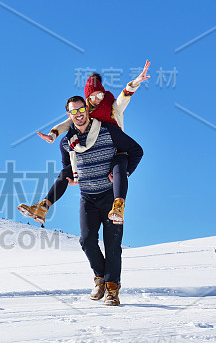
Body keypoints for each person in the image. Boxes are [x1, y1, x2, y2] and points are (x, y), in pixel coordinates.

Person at [19, 61, 150, 225]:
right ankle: (43, 207)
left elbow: (124, 97)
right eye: (93, 97)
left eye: (100, 95)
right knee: (65, 172)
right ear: (87, 98)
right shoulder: (85, 110)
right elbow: (69, 122)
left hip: (116, 149)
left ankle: (118, 206)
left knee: (120, 165)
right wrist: (53, 134)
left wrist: (135, 82)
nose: (97, 100)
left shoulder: (111, 107)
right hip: (95, 151)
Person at [51, 95, 143, 306]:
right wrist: (72, 178)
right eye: (73, 111)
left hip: (111, 198)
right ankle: (100, 278)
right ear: (68, 115)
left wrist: (125, 172)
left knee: (112, 244)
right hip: (87, 198)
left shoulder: (107, 131)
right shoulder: (66, 142)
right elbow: (68, 167)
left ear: (87, 109)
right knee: (86, 241)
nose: (78, 114)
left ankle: (112, 289)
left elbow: (137, 151)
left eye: (81, 109)